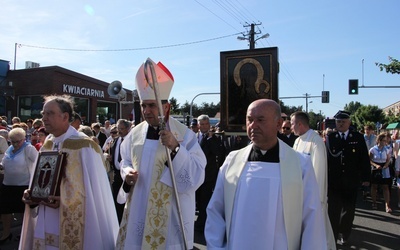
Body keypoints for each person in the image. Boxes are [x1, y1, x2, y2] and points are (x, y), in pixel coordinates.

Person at [205, 99, 326, 249]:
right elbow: (216, 211)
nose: (253, 125)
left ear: (278, 124)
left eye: (260, 120)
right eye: (250, 120)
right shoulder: (232, 161)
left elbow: (312, 219)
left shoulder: (300, 165)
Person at [116, 58, 206, 249]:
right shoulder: (134, 134)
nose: (146, 111)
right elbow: (124, 160)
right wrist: (127, 174)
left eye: (151, 105)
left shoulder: (185, 136)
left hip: (169, 215)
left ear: (166, 107)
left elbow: (197, 175)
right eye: (143, 105)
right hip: (137, 210)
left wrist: (176, 148)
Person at [19, 95, 119, 249]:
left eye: (50, 113)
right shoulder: (48, 145)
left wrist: (63, 200)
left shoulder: (84, 146)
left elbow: (95, 195)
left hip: (76, 225)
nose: (44, 118)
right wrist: (32, 194)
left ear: (65, 116)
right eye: (43, 114)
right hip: (46, 220)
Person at [290, 111, 336, 250]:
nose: (291, 127)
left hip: (312, 195)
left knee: (318, 229)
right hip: (299, 192)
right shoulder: (297, 141)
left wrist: (316, 197)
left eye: (292, 124)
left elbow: (319, 170)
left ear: (299, 124)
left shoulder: (315, 141)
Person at [326, 110, 370, 245]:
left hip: (351, 181)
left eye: (343, 122)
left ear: (349, 123)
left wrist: (366, 177)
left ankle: (344, 234)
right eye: (338, 121)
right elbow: (327, 159)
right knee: (333, 210)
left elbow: (364, 158)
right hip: (334, 182)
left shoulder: (357, 137)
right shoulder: (331, 137)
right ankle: (332, 236)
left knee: (348, 210)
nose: (340, 124)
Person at [0, 128, 37, 244]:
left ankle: (24, 234)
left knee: (23, 212)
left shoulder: (29, 148)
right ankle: (6, 234)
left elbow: (38, 162)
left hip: (23, 186)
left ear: (23, 139)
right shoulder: (10, 149)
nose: (15, 144)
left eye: (17, 141)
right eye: (12, 141)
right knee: (5, 211)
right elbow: (5, 163)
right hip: (8, 185)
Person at [195, 114, 225, 232]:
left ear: (209, 124)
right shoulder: (193, 137)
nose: (204, 126)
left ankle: (201, 225)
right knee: (196, 201)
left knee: (205, 201)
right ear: (198, 125)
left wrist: (211, 138)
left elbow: (219, 152)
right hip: (195, 174)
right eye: (202, 124)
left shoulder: (214, 138)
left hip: (208, 176)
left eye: (206, 124)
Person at [108, 119, 131, 223]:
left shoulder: (131, 141)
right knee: (116, 200)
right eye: (118, 129)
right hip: (117, 175)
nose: (119, 131)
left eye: (122, 129)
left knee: (125, 202)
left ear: (127, 128)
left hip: (127, 176)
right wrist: (111, 159)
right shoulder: (116, 140)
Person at [369, 132, 392, 212]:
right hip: (376, 167)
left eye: (386, 141)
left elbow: (388, 159)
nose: (385, 142)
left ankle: (387, 205)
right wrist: (375, 165)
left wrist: (386, 165)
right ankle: (374, 202)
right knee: (374, 186)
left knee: (385, 186)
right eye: (383, 141)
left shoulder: (387, 149)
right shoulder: (373, 149)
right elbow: (370, 160)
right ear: (379, 140)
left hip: (384, 167)